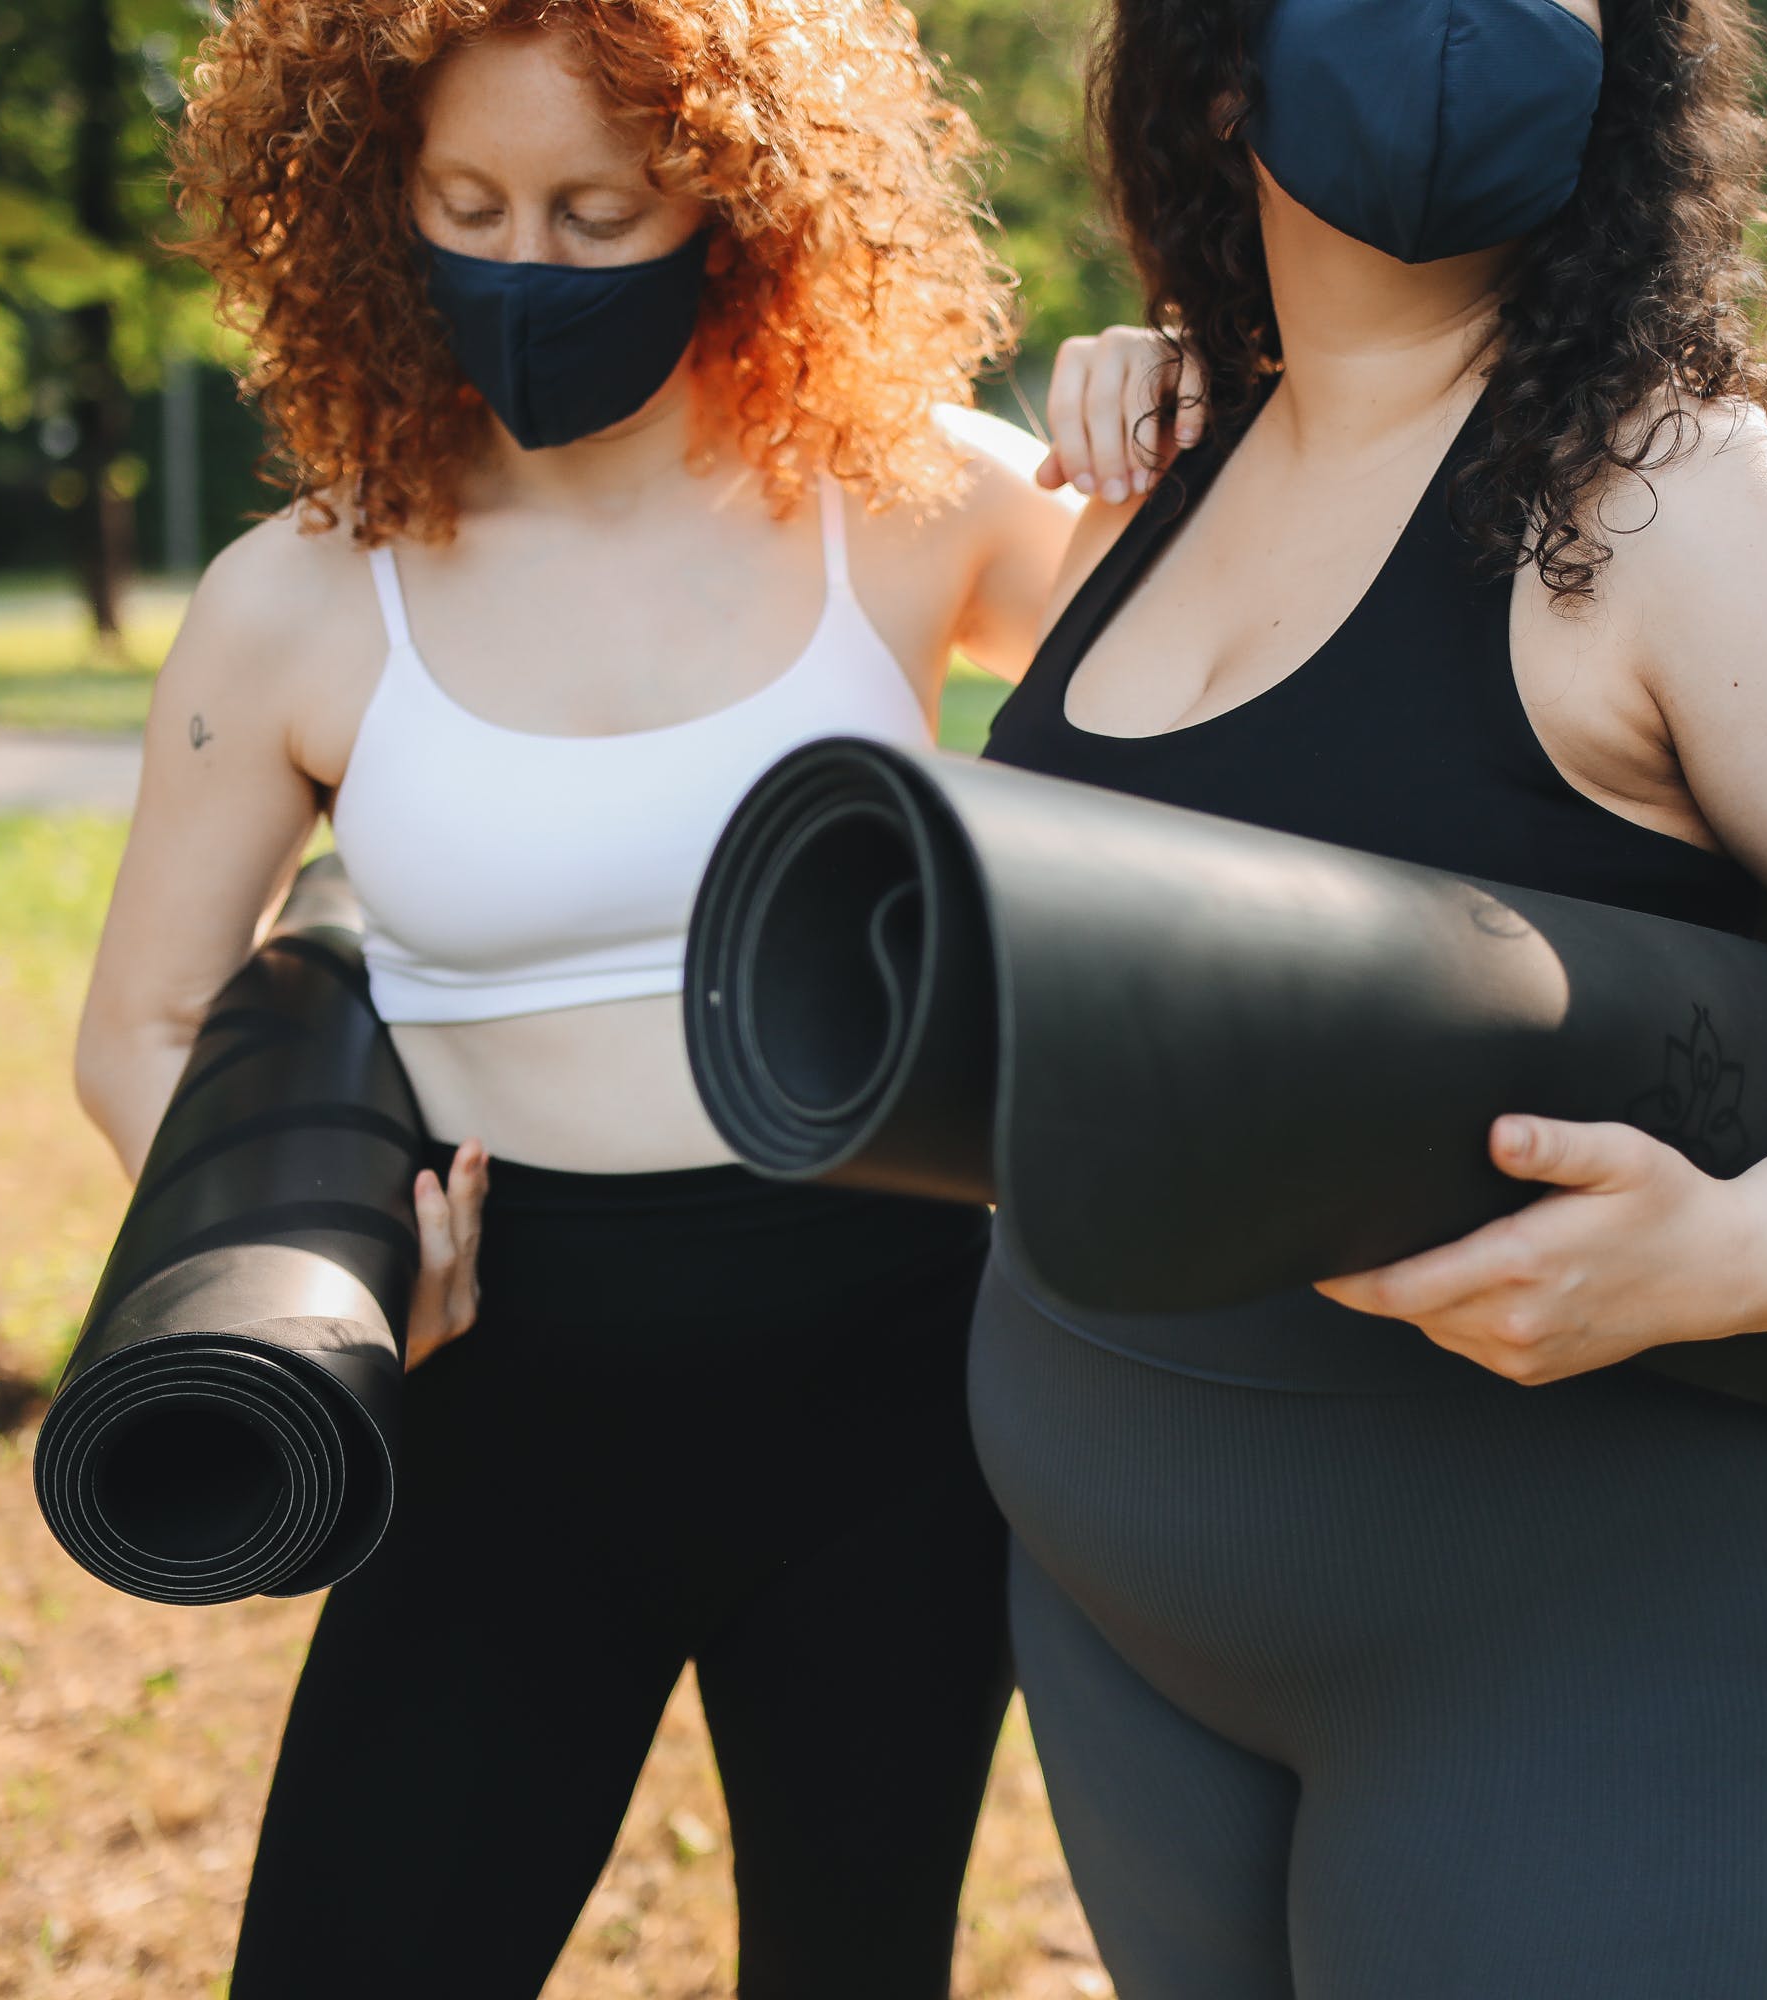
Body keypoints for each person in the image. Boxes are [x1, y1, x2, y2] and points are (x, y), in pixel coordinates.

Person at [967, 0, 1767, 1992]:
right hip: (1122, 1620)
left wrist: (1731, 1251)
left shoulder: (1681, 512)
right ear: (1218, 69)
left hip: (1564, 1650)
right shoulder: (1182, 450)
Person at [71, 1, 1190, 1991]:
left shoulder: (909, 499)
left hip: (899, 1398)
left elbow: (1231, 611)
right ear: (368, 204)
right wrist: (322, 1270)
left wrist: (1165, 396)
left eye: (602, 210)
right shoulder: (304, 592)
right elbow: (139, 1026)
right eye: (471, 205)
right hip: (497, 1399)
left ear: (738, 205)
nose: (532, 265)